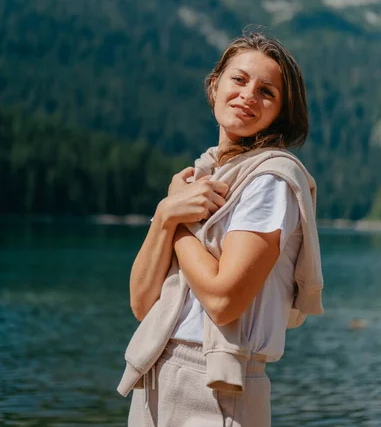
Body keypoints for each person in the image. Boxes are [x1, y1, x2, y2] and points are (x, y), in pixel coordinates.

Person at [120, 31, 323, 426]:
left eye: (267, 91)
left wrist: (178, 223)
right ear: (214, 87)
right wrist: (165, 215)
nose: (249, 95)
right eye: (239, 79)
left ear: (280, 112)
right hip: (156, 371)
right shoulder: (200, 179)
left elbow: (222, 300)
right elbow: (143, 304)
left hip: (218, 386)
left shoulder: (270, 181)